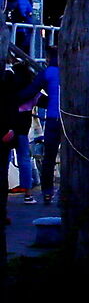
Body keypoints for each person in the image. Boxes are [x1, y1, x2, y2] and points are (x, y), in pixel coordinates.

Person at [3, 58, 37, 203]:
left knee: (5, 159)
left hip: (8, 127)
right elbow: (42, 100)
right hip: (23, 127)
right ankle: (28, 193)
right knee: (24, 159)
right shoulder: (30, 91)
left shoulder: (10, 90)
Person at [40, 57, 62, 201]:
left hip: (52, 118)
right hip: (70, 118)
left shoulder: (48, 72)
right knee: (71, 157)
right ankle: (67, 191)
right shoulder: (71, 70)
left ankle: (47, 191)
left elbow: (33, 89)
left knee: (49, 157)